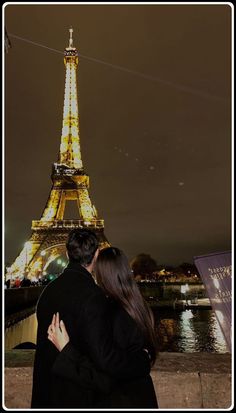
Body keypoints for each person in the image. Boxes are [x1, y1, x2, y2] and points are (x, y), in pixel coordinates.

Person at [31, 229, 151, 409]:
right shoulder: (95, 297)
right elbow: (105, 361)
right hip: (77, 396)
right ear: (96, 255)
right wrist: (143, 360)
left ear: (67, 253)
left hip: (47, 395)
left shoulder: (47, 292)